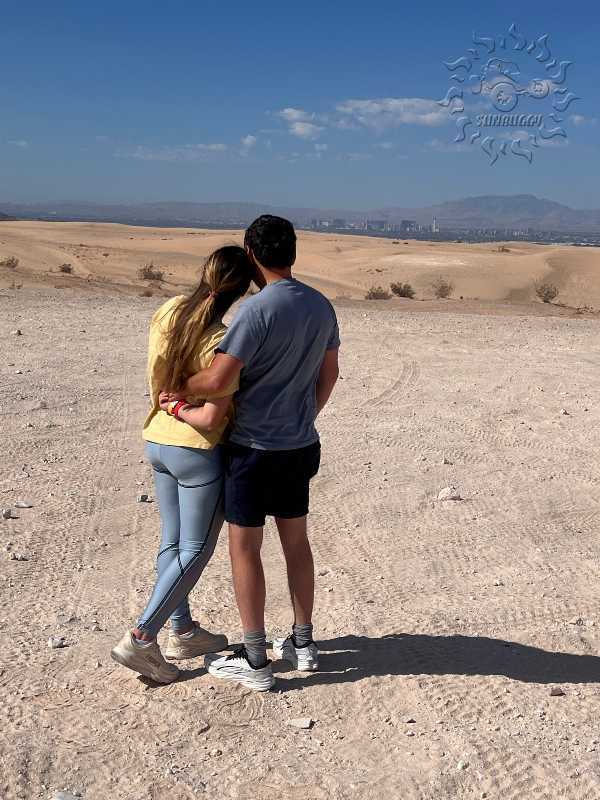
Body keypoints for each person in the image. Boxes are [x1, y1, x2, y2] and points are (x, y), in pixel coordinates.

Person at [173, 215, 340, 692]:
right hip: (300, 445)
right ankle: (303, 644)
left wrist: (176, 385)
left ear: (251, 254)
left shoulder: (256, 310)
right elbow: (329, 372)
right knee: (296, 543)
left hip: (252, 449)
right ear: (292, 251)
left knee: (245, 550)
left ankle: (255, 659)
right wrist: (306, 414)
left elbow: (219, 378)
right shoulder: (320, 304)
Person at [110, 245, 252, 683]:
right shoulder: (221, 341)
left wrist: (168, 406)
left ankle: (184, 630)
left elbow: (157, 378)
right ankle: (142, 637)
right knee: (195, 549)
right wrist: (183, 408)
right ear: (242, 291)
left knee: (172, 544)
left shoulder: (169, 310)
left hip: (158, 439)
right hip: (195, 450)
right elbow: (209, 418)